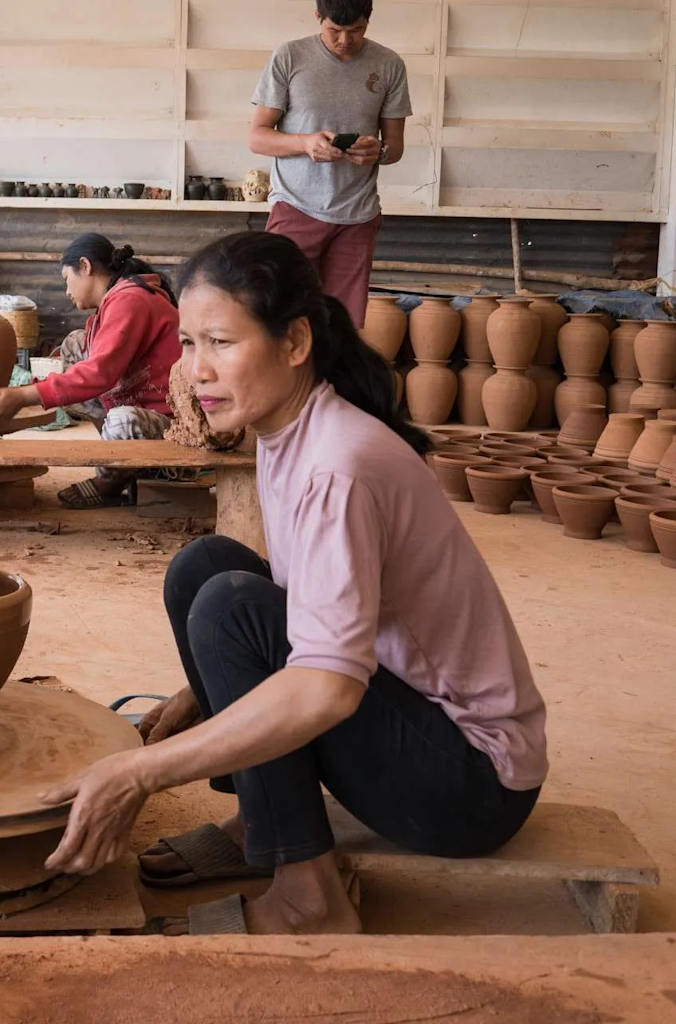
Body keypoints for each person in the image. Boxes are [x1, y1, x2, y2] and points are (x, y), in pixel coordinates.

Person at [37, 231, 547, 935]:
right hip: (412, 719)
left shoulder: (335, 462)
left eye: (220, 342)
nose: (195, 371)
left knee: (229, 607)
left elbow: (329, 684)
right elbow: (304, 595)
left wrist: (140, 774)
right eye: (187, 345)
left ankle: (310, 899)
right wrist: (205, 692)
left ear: (296, 342)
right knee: (206, 568)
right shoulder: (289, 428)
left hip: (470, 781)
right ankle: (263, 823)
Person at [0, 233, 182, 509]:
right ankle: (116, 457)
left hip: (172, 426)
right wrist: (37, 387)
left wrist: (26, 395)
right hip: (142, 404)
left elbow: (99, 374)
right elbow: (92, 368)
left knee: (122, 420)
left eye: (66, 279)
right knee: (76, 343)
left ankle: (108, 482)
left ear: (85, 266)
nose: (66, 291)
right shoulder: (117, 301)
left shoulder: (131, 300)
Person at [248, 0, 409, 327]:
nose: (345, 40)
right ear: (318, 17)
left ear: (369, 20)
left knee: (341, 327)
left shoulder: (389, 64)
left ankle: (330, 380)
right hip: (295, 207)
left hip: (357, 215)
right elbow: (257, 138)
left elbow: (396, 147)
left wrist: (378, 152)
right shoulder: (290, 56)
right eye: (334, 30)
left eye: (356, 31)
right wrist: (305, 143)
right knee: (279, 318)